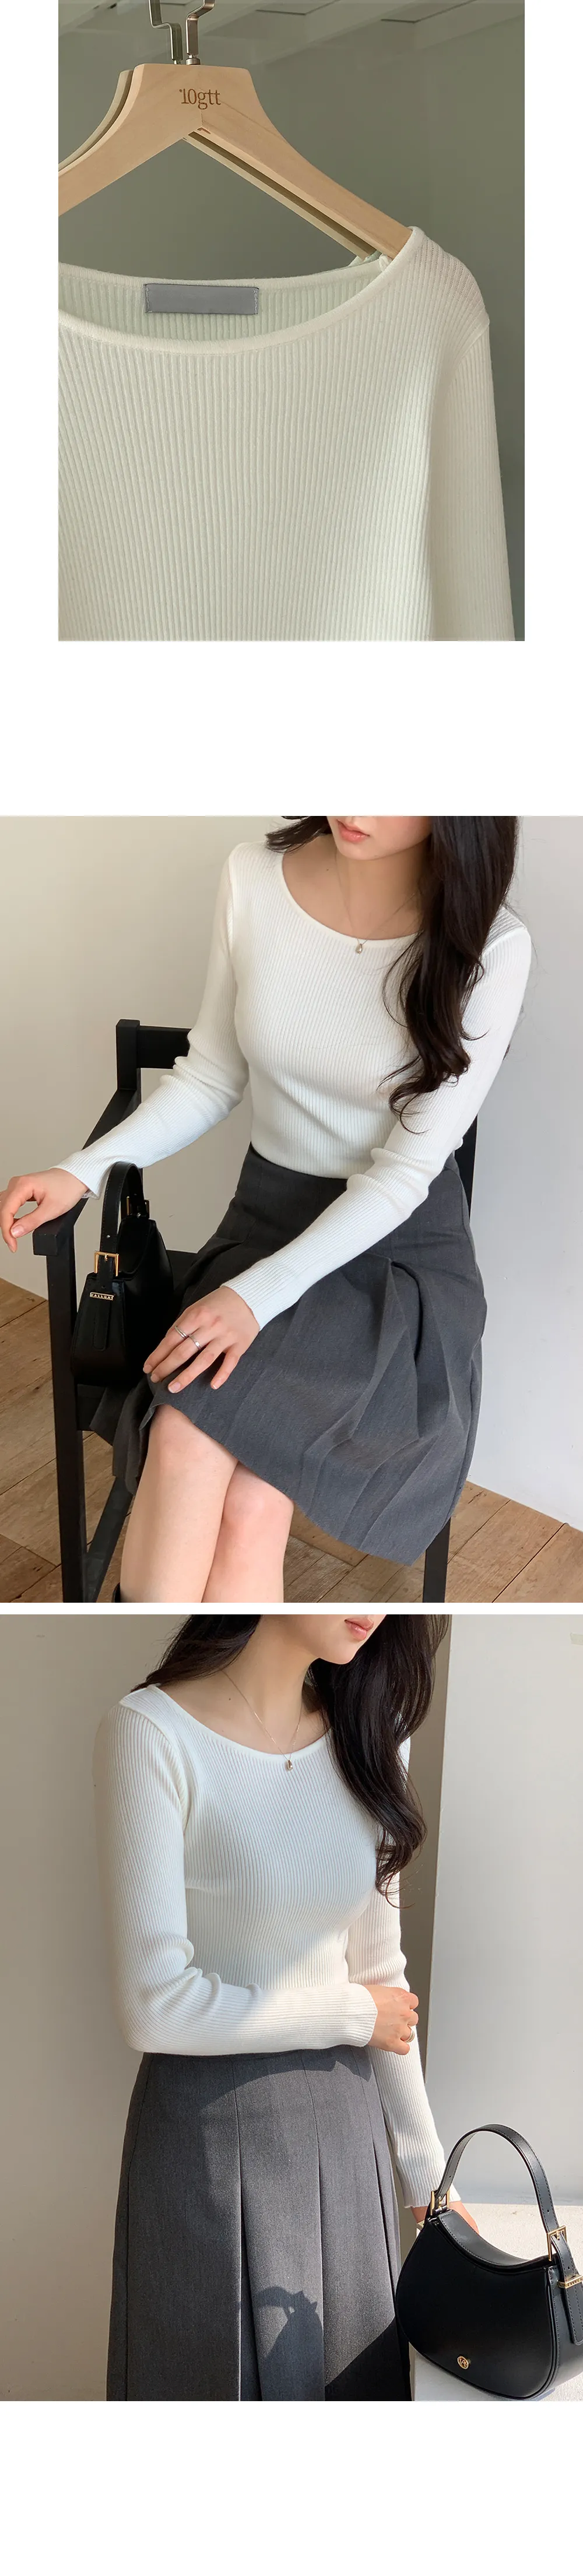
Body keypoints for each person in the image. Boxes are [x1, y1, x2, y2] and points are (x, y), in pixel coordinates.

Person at [1, 817, 531, 1601]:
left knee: (207, 1457)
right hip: (265, 1225)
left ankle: (152, 1655)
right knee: (206, 1460)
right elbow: (211, 1077)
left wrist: (251, 1301)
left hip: (394, 1262)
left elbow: (404, 1177)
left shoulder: (493, 944)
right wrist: (82, 1172)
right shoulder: (253, 878)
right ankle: (167, 1662)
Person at [94, 1610, 477, 2402]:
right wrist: (350, 2014)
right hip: (208, 2138)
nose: (373, 1609)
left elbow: (382, 1970)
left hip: (348, 2133)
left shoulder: (373, 1734)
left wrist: (429, 2180)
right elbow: (155, 2006)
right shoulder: (152, 1733)